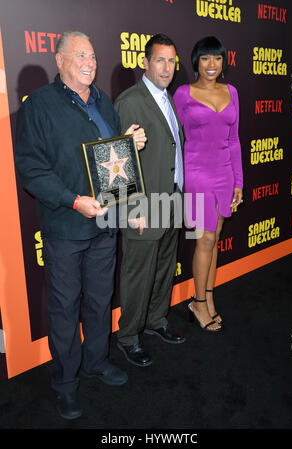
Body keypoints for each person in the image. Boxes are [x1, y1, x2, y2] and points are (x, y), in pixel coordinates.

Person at [15, 31, 146, 420]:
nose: (89, 62)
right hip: (66, 227)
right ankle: (66, 383)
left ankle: (96, 362)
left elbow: (111, 161)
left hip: (105, 225)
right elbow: (32, 169)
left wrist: (128, 144)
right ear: (59, 61)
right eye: (79, 56)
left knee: (99, 300)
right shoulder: (39, 105)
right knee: (64, 308)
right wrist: (74, 201)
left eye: (92, 55)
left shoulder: (104, 101)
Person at [114, 33, 186, 368]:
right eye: (160, 59)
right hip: (143, 205)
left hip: (171, 200)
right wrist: (130, 209)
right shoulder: (131, 101)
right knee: (137, 275)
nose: (167, 67)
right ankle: (128, 337)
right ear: (145, 62)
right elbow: (117, 162)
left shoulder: (167, 97)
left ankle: (156, 321)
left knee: (163, 269)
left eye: (172, 60)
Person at [173, 36, 243, 331]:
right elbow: (174, 138)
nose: (212, 64)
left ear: (223, 61)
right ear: (196, 62)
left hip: (225, 174)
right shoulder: (183, 94)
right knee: (204, 240)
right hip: (198, 174)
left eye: (217, 58)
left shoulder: (232, 92)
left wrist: (239, 180)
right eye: (205, 58)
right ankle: (197, 303)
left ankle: (209, 298)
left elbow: (235, 139)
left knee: (214, 241)